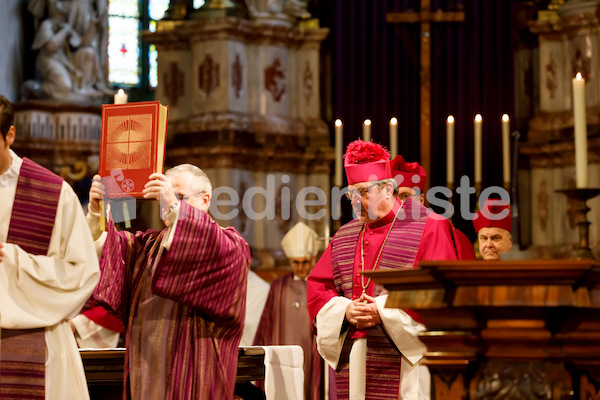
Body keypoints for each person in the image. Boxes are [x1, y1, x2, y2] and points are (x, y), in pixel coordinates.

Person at [307, 139, 461, 400]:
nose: (356, 202)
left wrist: (382, 310)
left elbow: (440, 291)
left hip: (407, 363)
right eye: (351, 194)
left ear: (388, 188)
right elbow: (318, 289)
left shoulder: (430, 226)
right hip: (355, 359)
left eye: (364, 193)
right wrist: (346, 309)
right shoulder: (344, 235)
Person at [87, 163, 251, 400]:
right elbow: (107, 253)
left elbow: (206, 245)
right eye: (162, 198)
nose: (166, 204)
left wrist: (175, 206)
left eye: (180, 197)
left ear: (205, 201)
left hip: (194, 375)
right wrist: (97, 212)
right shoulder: (146, 246)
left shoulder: (231, 246)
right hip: (145, 374)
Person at [0, 94, 100, 399]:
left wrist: (13, 259)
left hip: (38, 346)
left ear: (10, 135)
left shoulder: (54, 193)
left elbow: (82, 273)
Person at [254, 221, 322, 399]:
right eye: (295, 262)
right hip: (281, 357)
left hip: (310, 357)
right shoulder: (278, 287)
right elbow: (265, 326)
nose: (300, 267)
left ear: (313, 259)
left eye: (305, 262)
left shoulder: (320, 287)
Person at [391, 155, 476, 260]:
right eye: (394, 197)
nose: (399, 202)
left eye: (405, 196)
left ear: (421, 200)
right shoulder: (383, 226)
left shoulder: (436, 226)